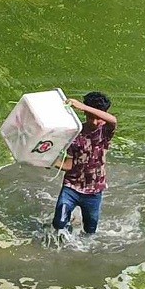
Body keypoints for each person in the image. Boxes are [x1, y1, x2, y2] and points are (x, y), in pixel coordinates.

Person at [51, 91, 117, 236]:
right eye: (90, 118)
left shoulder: (105, 131)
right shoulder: (75, 133)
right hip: (71, 187)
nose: (94, 122)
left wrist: (82, 107)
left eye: (97, 118)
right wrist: (51, 161)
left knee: (90, 230)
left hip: (94, 191)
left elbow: (112, 120)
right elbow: (71, 163)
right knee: (59, 223)